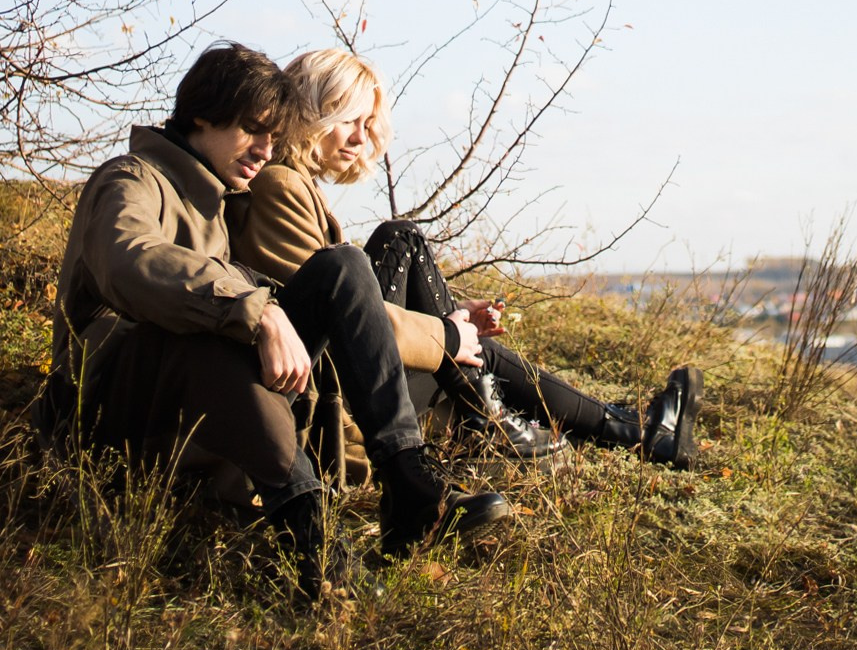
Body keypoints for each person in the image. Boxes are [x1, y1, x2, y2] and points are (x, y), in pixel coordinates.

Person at [35, 42, 509, 600]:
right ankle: (312, 541)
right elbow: (131, 259)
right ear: (204, 114)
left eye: (273, 136)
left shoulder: (219, 203)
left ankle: (407, 484)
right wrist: (253, 311)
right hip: (111, 412)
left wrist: (270, 309)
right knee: (204, 334)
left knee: (344, 268)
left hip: (202, 405)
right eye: (254, 130)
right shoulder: (132, 180)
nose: (265, 151)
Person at [231, 47, 702, 469]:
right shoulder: (280, 185)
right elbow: (340, 318)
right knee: (402, 241)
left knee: (460, 325)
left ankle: (622, 428)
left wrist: (451, 327)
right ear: (311, 112)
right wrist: (448, 333)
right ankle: (539, 422)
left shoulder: (294, 184)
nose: (359, 138)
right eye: (348, 119)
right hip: (339, 396)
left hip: (348, 377)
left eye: (366, 125)